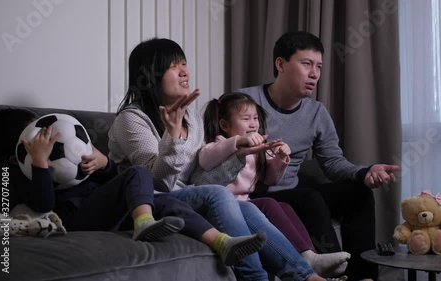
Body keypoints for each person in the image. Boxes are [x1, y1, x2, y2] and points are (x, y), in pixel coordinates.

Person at [108, 37, 346, 281]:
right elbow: (158, 183)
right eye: (173, 66)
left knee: (247, 206)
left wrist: (240, 155)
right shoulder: (131, 120)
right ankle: (255, 277)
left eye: (184, 64)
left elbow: (200, 179)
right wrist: (173, 136)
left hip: (185, 197)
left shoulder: (191, 117)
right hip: (146, 204)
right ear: (150, 76)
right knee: (220, 195)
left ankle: (307, 276)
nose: (185, 72)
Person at [0, 108, 267, 267]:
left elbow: (107, 184)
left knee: (165, 201)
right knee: (137, 172)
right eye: (39, 140)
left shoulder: (73, 153)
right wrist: (40, 163)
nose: (50, 143)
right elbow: (43, 205)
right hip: (74, 219)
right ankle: (144, 222)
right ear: (17, 154)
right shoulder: (15, 174)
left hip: (103, 211)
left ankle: (222, 242)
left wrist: (104, 164)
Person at [237, 31, 401, 281]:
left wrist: (364, 172)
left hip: (292, 195)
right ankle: (337, 275)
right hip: (255, 195)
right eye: (306, 64)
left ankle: (364, 277)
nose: (314, 74)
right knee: (310, 195)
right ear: (280, 64)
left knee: (358, 193)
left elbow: (333, 163)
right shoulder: (244, 103)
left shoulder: (316, 113)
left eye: (319, 66)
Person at [191, 92, 351, 278]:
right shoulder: (220, 143)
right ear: (225, 125)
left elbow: (270, 179)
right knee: (268, 203)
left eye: (255, 118)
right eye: (246, 119)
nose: (253, 124)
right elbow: (205, 158)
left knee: (283, 206)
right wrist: (238, 142)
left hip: (245, 202)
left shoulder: (259, 149)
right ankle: (307, 260)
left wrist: (282, 159)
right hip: (226, 206)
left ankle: (308, 254)